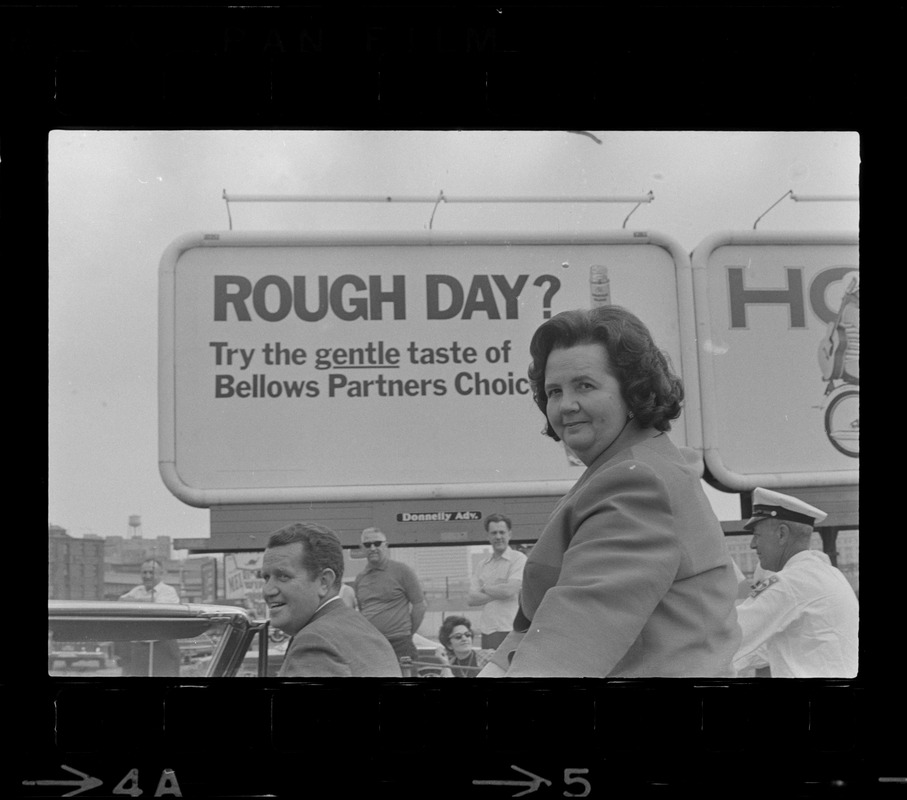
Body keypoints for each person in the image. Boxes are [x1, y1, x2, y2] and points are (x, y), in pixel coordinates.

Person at [479, 306, 741, 677]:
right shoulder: (632, 468)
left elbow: (567, 646)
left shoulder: (636, 482)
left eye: (584, 385)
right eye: (554, 391)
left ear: (634, 392)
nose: (566, 405)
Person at [733, 488, 858, 678]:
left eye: (757, 535)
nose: (752, 544)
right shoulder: (827, 573)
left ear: (782, 534)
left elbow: (731, 633)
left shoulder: (791, 583)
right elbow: (766, 650)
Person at [262, 522, 402, 677]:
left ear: (324, 582)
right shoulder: (365, 630)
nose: (268, 590)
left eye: (283, 576)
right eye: (266, 578)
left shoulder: (314, 641)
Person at [354, 527, 426, 662]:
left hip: (400, 644)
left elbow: (419, 606)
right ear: (362, 548)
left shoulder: (403, 571)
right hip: (372, 644)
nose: (373, 548)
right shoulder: (360, 579)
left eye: (377, 543)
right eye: (368, 544)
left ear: (386, 545)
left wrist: (407, 634)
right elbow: (363, 610)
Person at [468, 513, 527, 649]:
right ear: (488, 536)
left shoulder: (519, 559)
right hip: (488, 631)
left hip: (511, 629)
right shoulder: (482, 565)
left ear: (509, 534)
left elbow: (509, 591)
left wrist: (486, 587)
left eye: (502, 532)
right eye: (494, 533)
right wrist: (499, 589)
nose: (498, 537)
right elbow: (471, 599)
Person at [117, 558, 181, 676]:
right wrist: (146, 601)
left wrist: (136, 602)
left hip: (163, 645)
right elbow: (121, 602)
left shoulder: (169, 591)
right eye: (144, 572)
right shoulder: (137, 590)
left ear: (161, 574)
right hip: (140, 646)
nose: (147, 576)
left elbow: (158, 608)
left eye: (151, 572)